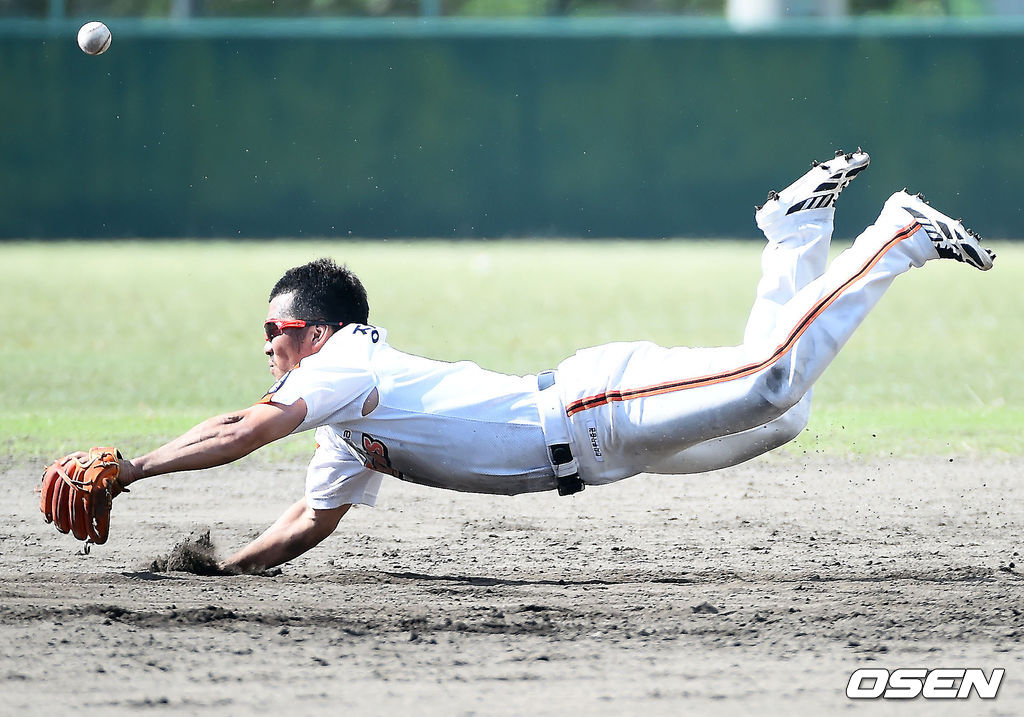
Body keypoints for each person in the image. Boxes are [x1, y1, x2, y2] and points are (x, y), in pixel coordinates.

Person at [86, 148, 995, 572]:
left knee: (769, 378)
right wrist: (225, 570)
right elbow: (308, 522)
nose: (269, 347)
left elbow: (247, 428)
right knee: (783, 412)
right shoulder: (350, 414)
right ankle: (797, 232)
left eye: (278, 331)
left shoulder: (343, 367)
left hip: (593, 407)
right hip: (606, 452)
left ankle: (900, 235)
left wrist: (136, 468)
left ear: (317, 333)